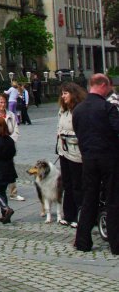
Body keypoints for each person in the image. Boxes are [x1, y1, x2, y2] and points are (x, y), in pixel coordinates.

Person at [72, 73, 119, 255]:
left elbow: (78, 132)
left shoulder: (79, 110)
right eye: (108, 87)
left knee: (89, 198)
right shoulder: (108, 108)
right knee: (113, 199)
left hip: (89, 159)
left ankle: (82, 241)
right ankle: (116, 243)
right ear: (103, 86)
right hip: (109, 159)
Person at [56, 82, 86, 227]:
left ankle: (79, 216)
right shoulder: (63, 110)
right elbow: (59, 128)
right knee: (67, 184)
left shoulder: (78, 111)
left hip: (76, 153)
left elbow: (81, 134)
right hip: (63, 152)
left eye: (66, 93)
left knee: (77, 185)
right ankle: (68, 215)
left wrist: (64, 135)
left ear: (73, 94)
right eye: (62, 94)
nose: (63, 96)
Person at [0, 93, 23, 201]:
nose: (3, 104)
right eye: (0, 102)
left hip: (8, 144)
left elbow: (15, 130)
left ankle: (13, 192)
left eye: (4, 102)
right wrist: (1, 139)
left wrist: (9, 141)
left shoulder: (11, 114)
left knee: (11, 167)